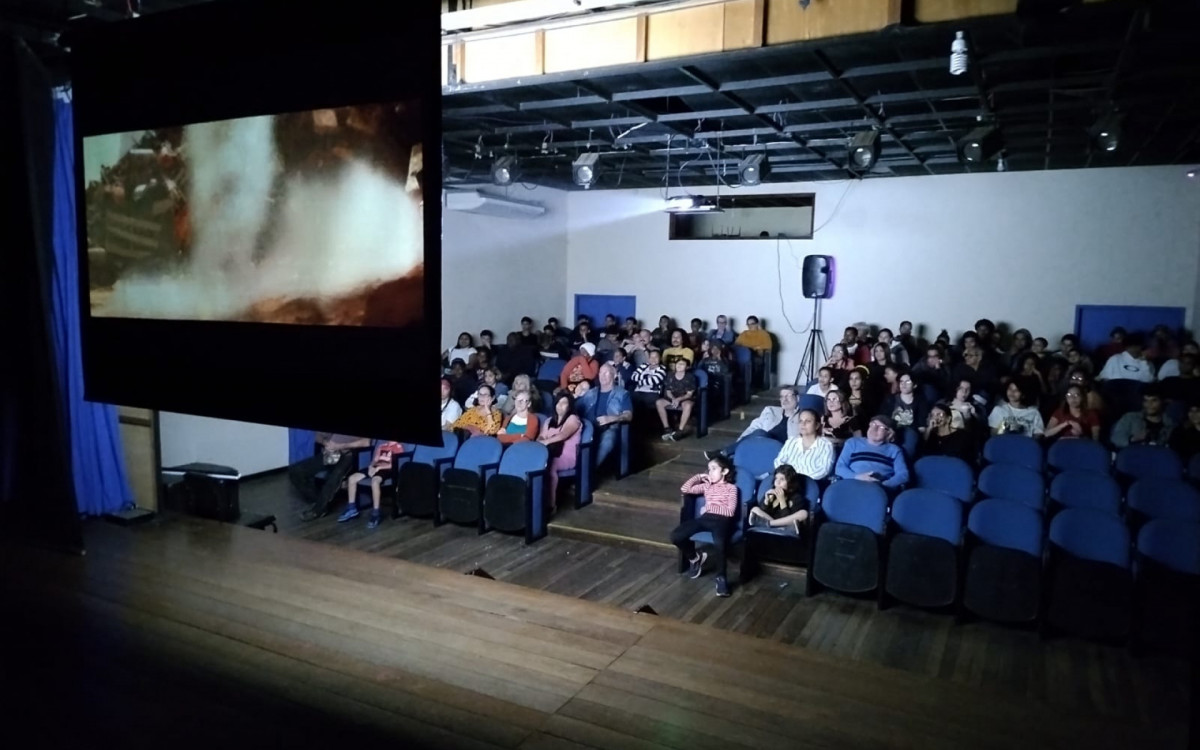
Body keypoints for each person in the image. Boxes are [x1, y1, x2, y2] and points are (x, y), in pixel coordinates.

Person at [671, 454, 739, 598]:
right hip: (706, 518)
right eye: (708, 469)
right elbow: (685, 489)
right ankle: (695, 558)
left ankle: (721, 578)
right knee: (676, 535)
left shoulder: (731, 489)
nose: (710, 472)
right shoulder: (707, 486)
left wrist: (709, 509)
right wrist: (699, 476)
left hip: (722, 520)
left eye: (714, 469)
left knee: (720, 544)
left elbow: (730, 511)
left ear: (725, 471)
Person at [291, 432, 371, 521]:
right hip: (330, 454)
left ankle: (318, 510)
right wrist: (327, 443)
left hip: (348, 455)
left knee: (333, 478)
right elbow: (318, 436)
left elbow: (367, 442)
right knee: (296, 470)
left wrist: (341, 446)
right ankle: (319, 500)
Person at [706, 385, 800, 460]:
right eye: (782, 397)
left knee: (760, 433)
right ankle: (729, 456)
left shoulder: (802, 417)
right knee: (759, 433)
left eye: (788, 396)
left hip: (780, 449)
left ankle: (724, 453)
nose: (784, 400)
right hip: (761, 443)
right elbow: (754, 427)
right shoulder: (771, 410)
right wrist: (739, 442)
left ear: (797, 398)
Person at [576, 363, 633, 470]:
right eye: (601, 373)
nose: (602, 376)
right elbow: (575, 408)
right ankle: (576, 470)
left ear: (614, 375)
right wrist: (575, 395)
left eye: (606, 373)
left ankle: (588, 473)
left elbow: (628, 415)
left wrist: (611, 418)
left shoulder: (622, 394)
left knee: (608, 439)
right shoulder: (590, 393)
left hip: (609, 428)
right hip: (589, 427)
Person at [337, 440, 404, 529]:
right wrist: (371, 467)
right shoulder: (382, 446)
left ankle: (376, 513)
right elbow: (375, 460)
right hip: (376, 468)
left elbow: (395, 463)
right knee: (352, 478)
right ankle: (352, 509)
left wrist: (380, 467)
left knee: (375, 481)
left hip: (387, 470)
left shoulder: (398, 447)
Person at [834, 415, 909, 490]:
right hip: (853, 485)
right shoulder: (853, 443)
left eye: (881, 427)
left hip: (880, 490)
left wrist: (882, 485)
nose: (874, 428)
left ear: (889, 433)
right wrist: (857, 477)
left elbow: (903, 475)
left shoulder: (894, 450)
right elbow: (840, 467)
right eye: (873, 424)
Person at [538, 392, 582, 512]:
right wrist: (540, 441)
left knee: (550, 466)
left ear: (570, 406)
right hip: (548, 453)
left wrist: (546, 442)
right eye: (558, 402)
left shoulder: (573, 419)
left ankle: (551, 505)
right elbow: (541, 436)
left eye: (564, 403)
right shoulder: (549, 421)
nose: (560, 405)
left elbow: (564, 435)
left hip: (566, 456)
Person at [773, 409, 835, 480]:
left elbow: (823, 470)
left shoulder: (826, 445)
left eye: (808, 421)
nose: (803, 424)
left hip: (811, 484)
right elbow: (778, 461)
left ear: (817, 425)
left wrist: (797, 478)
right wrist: (787, 477)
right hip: (786, 481)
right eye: (800, 421)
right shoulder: (791, 441)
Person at [748, 464, 810, 536]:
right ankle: (777, 528)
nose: (777, 482)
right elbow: (762, 512)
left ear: (790, 482)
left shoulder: (797, 498)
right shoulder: (771, 493)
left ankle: (770, 524)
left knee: (804, 513)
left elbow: (788, 519)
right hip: (779, 527)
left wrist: (782, 501)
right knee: (755, 509)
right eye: (776, 479)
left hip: (786, 527)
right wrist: (766, 502)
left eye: (782, 479)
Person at [1111, 386, 1175, 448]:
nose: (1149, 404)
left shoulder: (1171, 424)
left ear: (1162, 402)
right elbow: (1116, 438)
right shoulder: (1130, 418)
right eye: (1146, 400)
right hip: (1133, 456)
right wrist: (1133, 439)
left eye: (1154, 400)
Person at [921, 402, 976, 466]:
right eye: (932, 415)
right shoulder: (930, 435)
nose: (936, 417)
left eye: (940, 414)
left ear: (948, 419)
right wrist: (929, 428)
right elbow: (923, 451)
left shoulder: (962, 435)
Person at [656, 358, 697, 441]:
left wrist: (679, 399)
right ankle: (667, 428)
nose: (679, 366)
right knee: (659, 403)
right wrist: (674, 399)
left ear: (687, 367)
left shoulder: (690, 377)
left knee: (688, 405)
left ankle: (680, 430)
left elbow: (689, 394)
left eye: (682, 364)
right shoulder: (670, 375)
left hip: (685, 398)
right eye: (678, 364)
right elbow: (668, 391)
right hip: (672, 397)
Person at [880, 371, 928, 435]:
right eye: (901, 381)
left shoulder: (920, 402)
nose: (903, 384)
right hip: (890, 432)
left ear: (915, 385)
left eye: (907, 382)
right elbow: (882, 418)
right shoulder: (890, 399)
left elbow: (922, 426)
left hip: (910, 434)